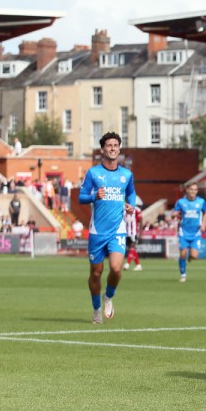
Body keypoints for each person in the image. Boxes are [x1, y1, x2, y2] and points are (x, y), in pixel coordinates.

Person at [77, 133, 136, 323]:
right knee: (96, 272)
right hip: (97, 231)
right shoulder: (93, 173)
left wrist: (131, 205)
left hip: (117, 229)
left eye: (115, 145)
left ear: (119, 149)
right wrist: (94, 196)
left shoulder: (126, 175)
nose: (112, 148)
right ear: (102, 149)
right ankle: (96, 309)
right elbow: (81, 197)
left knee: (116, 269)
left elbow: (132, 193)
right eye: (109, 145)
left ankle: (108, 297)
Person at [173, 182, 206, 282]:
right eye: (191, 189)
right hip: (184, 232)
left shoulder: (201, 202)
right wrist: (172, 215)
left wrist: (204, 223)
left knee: (194, 256)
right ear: (187, 190)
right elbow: (175, 212)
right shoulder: (180, 202)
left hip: (196, 233)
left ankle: (190, 257)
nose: (193, 191)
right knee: (183, 254)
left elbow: (205, 213)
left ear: (197, 191)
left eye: (195, 189)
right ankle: (183, 274)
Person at [122, 195, 142, 271]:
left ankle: (127, 264)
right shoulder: (124, 209)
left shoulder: (137, 210)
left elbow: (140, 221)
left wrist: (140, 233)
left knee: (132, 247)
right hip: (127, 232)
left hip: (134, 232)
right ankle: (138, 265)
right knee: (132, 249)